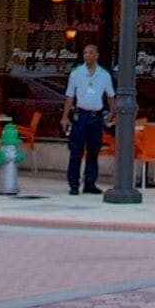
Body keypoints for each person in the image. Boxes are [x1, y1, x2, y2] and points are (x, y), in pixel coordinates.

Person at [63, 43, 114, 195]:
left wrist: (112, 112)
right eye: (85, 53)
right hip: (81, 116)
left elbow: (110, 95)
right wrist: (65, 116)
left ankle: (90, 183)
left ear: (96, 55)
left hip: (96, 117)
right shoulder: (76, 73)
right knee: (76, 151)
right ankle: (73, 184)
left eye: (91, 53)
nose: (87, 56)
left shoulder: (104, 75)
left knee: (93, 151)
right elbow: (70, 95)